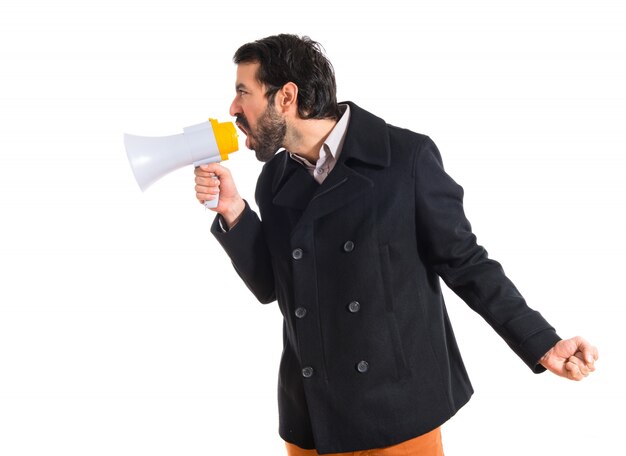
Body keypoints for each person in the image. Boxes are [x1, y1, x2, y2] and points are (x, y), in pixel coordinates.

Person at [194, 34, 598, 456]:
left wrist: (542, 342)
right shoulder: (274, 178)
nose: (234, 108)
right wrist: (235, 212)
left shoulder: (405, 158)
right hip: (309, 418)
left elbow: (466, 263)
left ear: (287, 97)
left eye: (243, 92)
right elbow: (273, 287)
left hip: (395, 415)